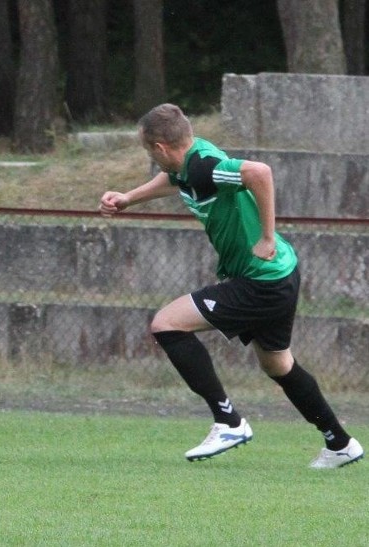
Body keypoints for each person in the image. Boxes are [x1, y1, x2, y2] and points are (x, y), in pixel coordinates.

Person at [99, 103, 363, 469]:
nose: (151, 157)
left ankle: (228, 422)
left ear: (159, 148)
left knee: (166, 324)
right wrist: (128, 198)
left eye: (148, 150)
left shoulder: (205, 166)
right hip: (278, 275)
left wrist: (267, 237)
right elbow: (175, 178)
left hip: (261, 280)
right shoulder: (190, 160)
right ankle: (340, 443)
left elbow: (260, 172)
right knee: (278, 364)